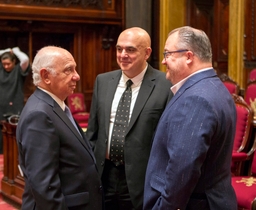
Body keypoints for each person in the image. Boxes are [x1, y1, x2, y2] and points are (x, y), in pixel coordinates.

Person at [143, 26, 237, 210]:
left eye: (168, 54)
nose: (163, 61)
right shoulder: (215, 87)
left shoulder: (196, 98)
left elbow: (182, 169)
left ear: (188, 56)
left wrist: (164, 207)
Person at [85, 27, 172, 210]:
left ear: (147, 52)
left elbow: (168, 140)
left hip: (142, 179)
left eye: (130, 49)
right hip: (104, 174)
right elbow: (93, 132)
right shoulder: (103, 81)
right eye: (119, 49)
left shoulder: (165, 85)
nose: (123, 55)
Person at [16, 46, 103, 210]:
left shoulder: (55, 106)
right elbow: (45, 187)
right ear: (46, 76)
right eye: (68, 70)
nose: (76, 76)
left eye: (75, 69)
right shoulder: (39, 114)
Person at [0, 47, 30, 153]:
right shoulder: (1, 69)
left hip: (15, 107)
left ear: (14, 61)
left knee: (15, 134)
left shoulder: (18, 69)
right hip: (1, 108)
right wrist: (6, 50)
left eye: (8, 64)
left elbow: (25, 60)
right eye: (4, 64)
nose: (6, 66)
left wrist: (16, 51)